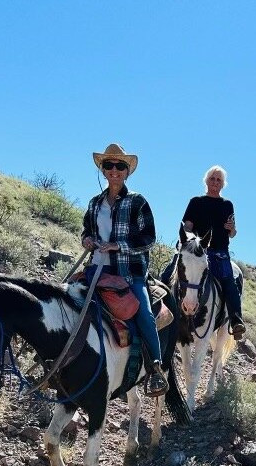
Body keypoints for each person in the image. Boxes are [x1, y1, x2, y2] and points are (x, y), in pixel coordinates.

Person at [81, 143, 167, 396]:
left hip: (129, 274)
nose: (114, 170)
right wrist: (86, 239)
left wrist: (116, 246)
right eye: (109, 165)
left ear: (127, 171)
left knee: (144, 314)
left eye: (120, 166)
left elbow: (149, 238)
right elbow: (87, 229)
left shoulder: (137, 202)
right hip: (95, 269)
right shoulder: (95, 202)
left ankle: (155, 369)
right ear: (103, 170)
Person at [181, 165, 245, 339]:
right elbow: (187, 226)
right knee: (170, 272)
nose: (215, 182)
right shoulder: (196, 202)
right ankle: (164, 309)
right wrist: (189, 241)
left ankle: (236, 321)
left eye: (219, 180)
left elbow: (232, 234)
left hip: (219, 253)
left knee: (229, 282)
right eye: (212, 178)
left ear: (223, 184)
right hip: (196, 251)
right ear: (206, 181)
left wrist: (232, 229)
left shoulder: (227, 205)